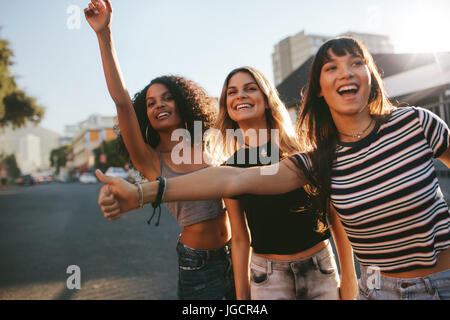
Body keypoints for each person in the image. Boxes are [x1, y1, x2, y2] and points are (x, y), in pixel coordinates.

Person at [96, 37, 450, 300]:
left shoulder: (407, 125)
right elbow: (234, 187)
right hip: (294, 278)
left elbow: (335, 221)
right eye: (332, 67)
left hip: (343, 270)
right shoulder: (305, 161)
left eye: (356, 62)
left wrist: (347, 281)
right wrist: (144, 192)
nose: (346, 72)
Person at [84, 0, 234, 300]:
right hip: (198, 265)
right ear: (146, 115)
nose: (159, 105)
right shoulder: (149, 159)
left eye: (167, 98)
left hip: (238, 253)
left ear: (183, 102)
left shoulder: (206, 142)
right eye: (151, 103)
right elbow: (123, 102)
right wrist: (104, 34)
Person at [206, 66, 356, 299]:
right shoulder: (229, 169)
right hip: (267, 279)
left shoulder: (303, 149)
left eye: (250, 88)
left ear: (266, 100)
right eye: (232, 92)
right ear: (227, 106)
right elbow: (239, 236)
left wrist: (349, 279)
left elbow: (335, 216)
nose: (240, 96)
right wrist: (242, 297)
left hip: (320, 270)